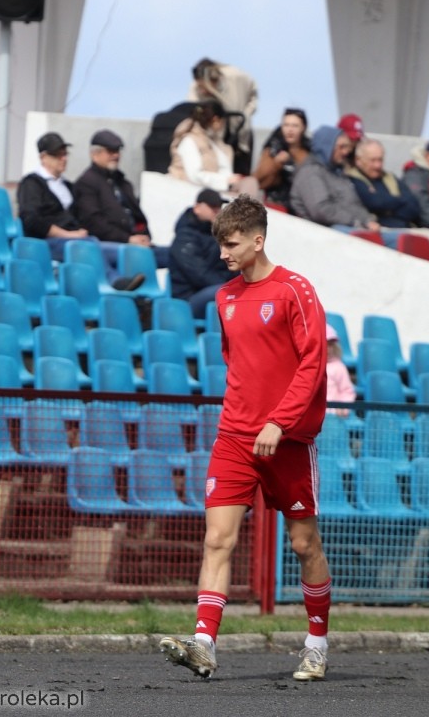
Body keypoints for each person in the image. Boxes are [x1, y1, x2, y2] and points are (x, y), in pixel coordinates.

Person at [159, 193, 331, 683]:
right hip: (234, 436)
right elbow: (238, 364)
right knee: (218, 539)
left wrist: (280, 421)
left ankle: (316, 644)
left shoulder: (296, 290)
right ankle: (204, 644)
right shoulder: (224, 297)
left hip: (289, 440)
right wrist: (249, 419)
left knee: (304, 545)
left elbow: (312, 365)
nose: (222, 254)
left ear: (258, 240)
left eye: (231, 244)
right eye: (220, 244)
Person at [17, 131, 141, 290]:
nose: (63, 158)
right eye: (57, 155)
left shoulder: (67, 186)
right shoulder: (32, 183)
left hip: (79, 240)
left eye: (64, 154)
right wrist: (67, 234)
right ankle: (114, 281)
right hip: (47, 244)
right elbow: (31, 219)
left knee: (125, 251)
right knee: (88, 244)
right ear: (43, 157)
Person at [73, 129, 168, 267]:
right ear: (95, 154)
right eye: (110, 151)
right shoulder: (87, 183)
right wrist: (128, 239)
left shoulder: (123, 183)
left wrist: (143, 237)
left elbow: (137, 217)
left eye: (117, 151)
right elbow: (93, 222)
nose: (116, 155)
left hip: (135, 244)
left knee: (178, 255)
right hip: (110, 247)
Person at [290, 125, 380, 232]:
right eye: (341, 147)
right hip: (324, 232)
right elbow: (321, 210)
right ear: (326, 147)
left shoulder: (338, 173)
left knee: (397, 238)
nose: (346, 152)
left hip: (350, 227)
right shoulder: (310, 173)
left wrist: (367, 220)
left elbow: (353, 204)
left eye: (347, 147)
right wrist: (355, 221)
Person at [168, 100, 259, 196]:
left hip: (214, 189)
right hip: (191, 191)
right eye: (223, 122)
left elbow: (223, 168)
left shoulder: (214, 142)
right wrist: (225, 180)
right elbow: (194, 175)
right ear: (216, 120)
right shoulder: (189, 141)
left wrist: (231, 179)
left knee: (250, 183)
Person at [344, 138, 423, 247]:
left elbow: (413, 206)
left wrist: (390, 209)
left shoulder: (389, 177)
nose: (378, 165)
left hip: (403, 226)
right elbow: (375, 203)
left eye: (380, 160)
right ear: (358, 160)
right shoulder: (353, 179)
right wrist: (399, 200)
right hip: (381, 228)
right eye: (373, 160)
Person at [186, 58, 257, 174]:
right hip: (213, 137)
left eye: (205, 87)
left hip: (239, 134)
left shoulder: (236, 77)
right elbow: (190, 107)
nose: (202, 91)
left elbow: (253, 94)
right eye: (200, 87)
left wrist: (247, 114)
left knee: (240, 174)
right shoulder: (195, 88)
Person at [168, 187, 229, 314]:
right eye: (212, 206)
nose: (217, 210)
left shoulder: (217, 235)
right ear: (197, 208)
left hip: (211, 290)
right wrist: (231, 288)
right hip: (187, 298)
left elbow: (229, 267)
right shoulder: (185, 237)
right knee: (226, 292)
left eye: (219, 206)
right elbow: (199, 274)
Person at [253, 108, 310, 209]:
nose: (290, 130)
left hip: (303, 206)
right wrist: (276, 164)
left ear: (303, 128)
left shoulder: (310, 152)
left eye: (295, 126)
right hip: (276, 205)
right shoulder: (273, 149)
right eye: (286, 125)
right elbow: (258, 181)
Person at [325, 324, 355, 417]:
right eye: (325, 344)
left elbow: (347, 391)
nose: (328, 349)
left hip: (333, 416)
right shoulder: (309, 367)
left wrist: (343, 408)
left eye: (330, 345)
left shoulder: (339, 367)